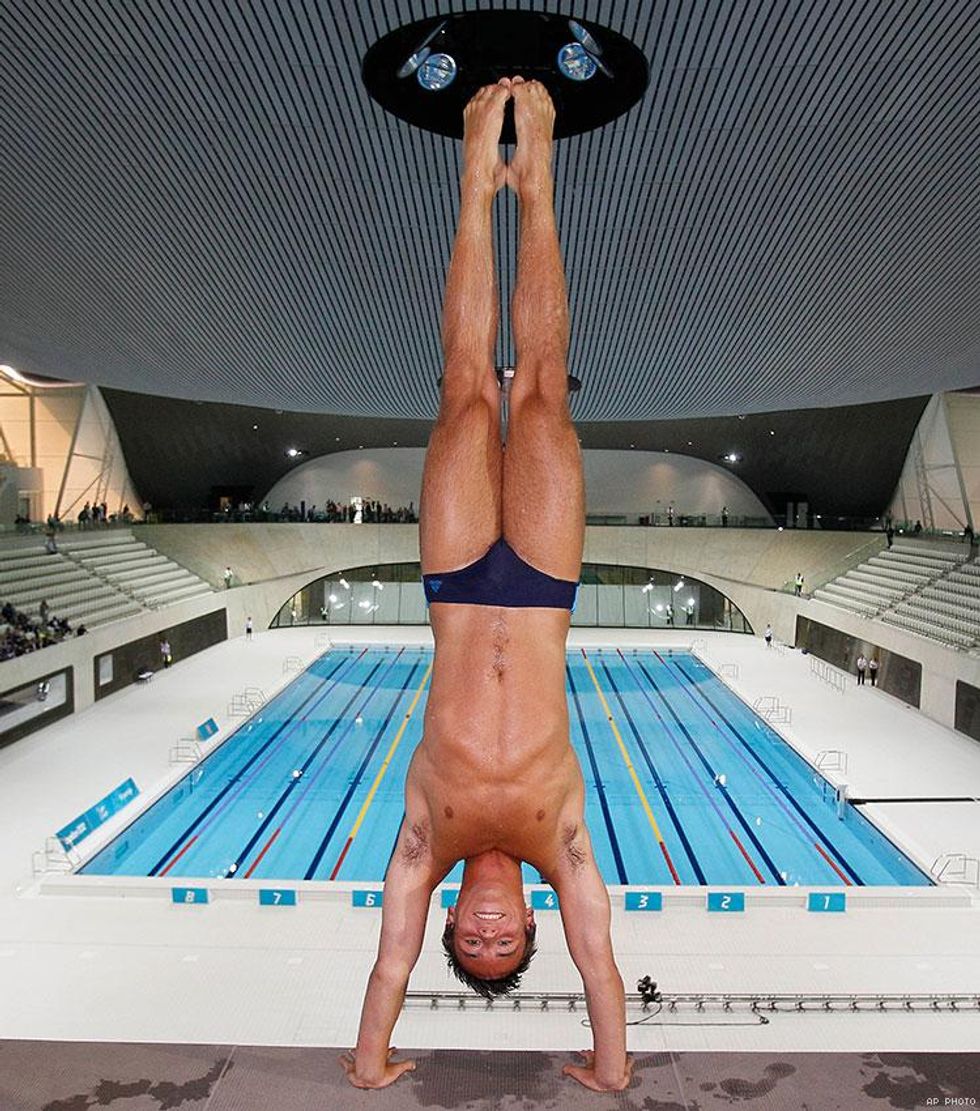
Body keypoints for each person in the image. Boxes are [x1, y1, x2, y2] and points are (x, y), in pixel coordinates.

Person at [342, 80, 630, 1094]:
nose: (496, 933)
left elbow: (386, 962)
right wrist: (610, 1067)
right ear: (525, 926)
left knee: (466, 382)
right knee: (543, 379)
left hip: (461, 584)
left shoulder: (425, 843)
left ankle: (476, 179)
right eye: (511, 946)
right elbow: (599, 963)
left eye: (477, 946)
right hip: (545, 585)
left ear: (453, 926)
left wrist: (372, 1061)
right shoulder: (562, 846)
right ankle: (538, 179)